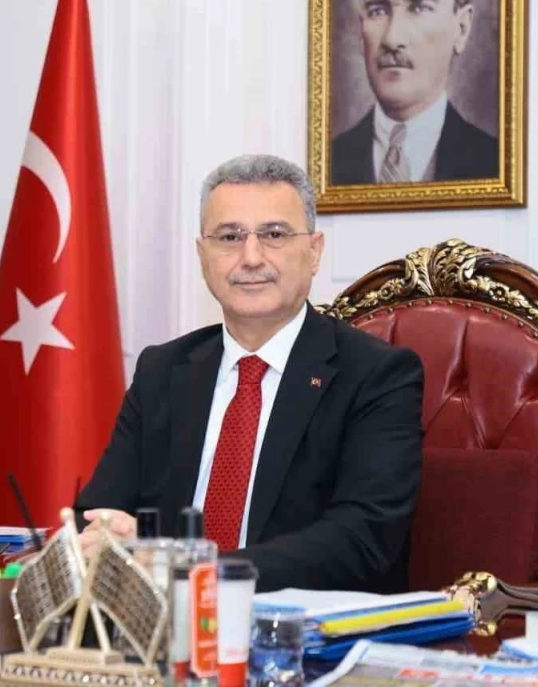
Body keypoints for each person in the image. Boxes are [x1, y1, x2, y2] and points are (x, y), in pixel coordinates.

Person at [75, 154, 424, 593]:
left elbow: (362, 538)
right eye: (229, 237)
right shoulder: (162, 370)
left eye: (274, 235)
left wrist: (196, 570)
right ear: (202, 256)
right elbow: (96, 511)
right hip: (161, 620)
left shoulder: (377, 374)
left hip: (298, 623)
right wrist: (110, 537)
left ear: (314, 252)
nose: (251, 257)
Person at [331, 0, 498, 185]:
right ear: (361, 30)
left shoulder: (493, 163)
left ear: (461, 28)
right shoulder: (325, 164)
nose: (392, 38)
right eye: (378, 11)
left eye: (419, 8)